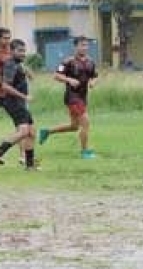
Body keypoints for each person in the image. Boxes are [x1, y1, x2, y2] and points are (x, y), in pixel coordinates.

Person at [38, 36, 98, 159]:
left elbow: (95, 76)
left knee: (74, 126)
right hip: (72, 97)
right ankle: (85, 152)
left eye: (86, 45)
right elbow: (56, 75)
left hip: (82, 97)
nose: (85, 48)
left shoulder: (91, 62)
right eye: (82, 45)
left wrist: (93, 82)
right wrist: (69, 79)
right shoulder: (67, 62)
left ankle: (47, 131)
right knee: (85, 123)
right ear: (75, 46)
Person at [0, 39, 38, 170]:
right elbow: (5, 86)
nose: (23, 53)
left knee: (31, 132)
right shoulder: (10, 64)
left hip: (19, 102)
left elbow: (24, 75)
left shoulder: (18, 64)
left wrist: (27, 72)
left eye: (24, 51)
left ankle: (30, 165)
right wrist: (24, 97)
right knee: (23, 131)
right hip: (13, 102)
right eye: (20, 51)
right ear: (11, 51)